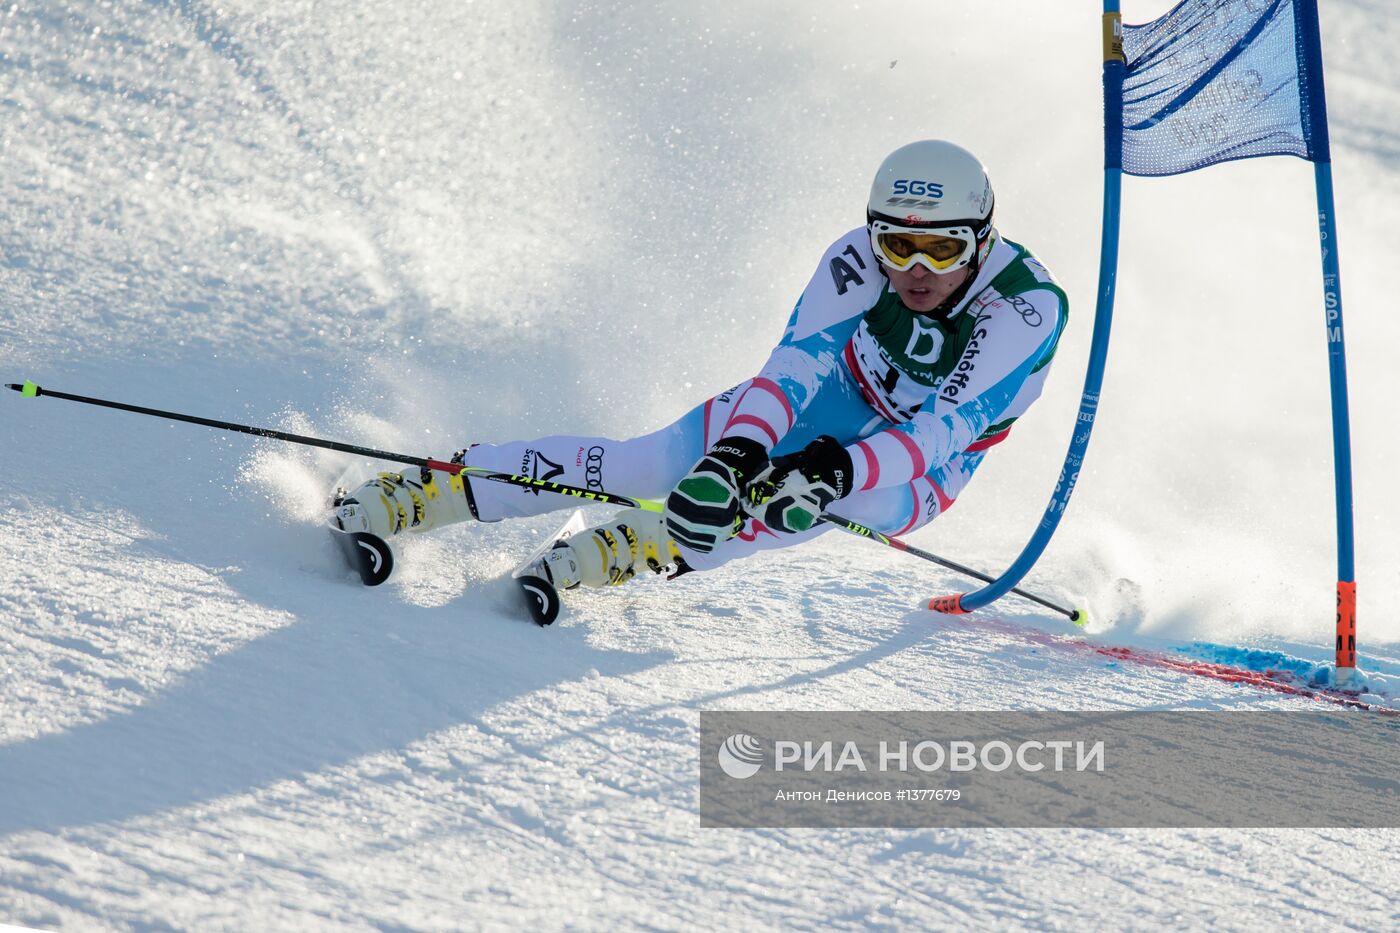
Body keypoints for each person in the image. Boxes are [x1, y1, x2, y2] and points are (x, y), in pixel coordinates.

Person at [333, 140, 1069, 596]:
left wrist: (833, 472)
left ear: (979, 241)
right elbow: (793, 369)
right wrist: (737, 452)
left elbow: (939, 434)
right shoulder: (857, 257)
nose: (912, 269)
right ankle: (435, 490)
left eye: (939, 250)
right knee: (652, 463)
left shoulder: (1024, 308)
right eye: (895, 245)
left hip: (921, 464)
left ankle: (640, 548)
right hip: (844, 391)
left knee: (805, 504)